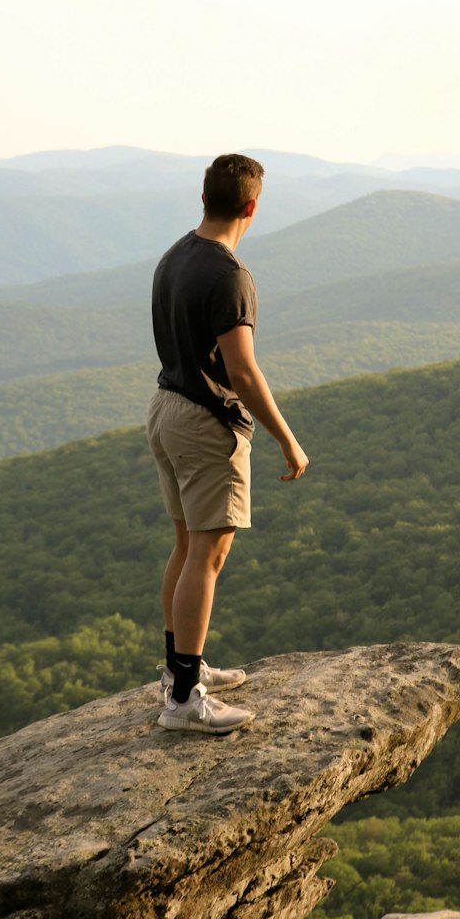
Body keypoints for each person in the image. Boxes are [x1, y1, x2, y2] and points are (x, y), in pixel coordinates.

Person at [147, 153, 309, 734]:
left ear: (204, 199)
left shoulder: (176, 256)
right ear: (251, 206)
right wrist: (287, 440)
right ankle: (186, 699)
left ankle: (178, 672)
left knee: (187, 544)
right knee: (208, 556)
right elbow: (242, 371)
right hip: (205, 421)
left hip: (166, 407)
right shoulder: (229, 276)